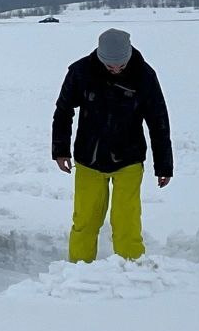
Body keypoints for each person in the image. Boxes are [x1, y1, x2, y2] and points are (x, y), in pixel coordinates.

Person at [52, 28, 173, 263]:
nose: (116, 69)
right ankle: (79, 272)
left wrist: (164, 166)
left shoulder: (144, 76)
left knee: (126, 221)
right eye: (110, 66)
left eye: (121, 65)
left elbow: (159, 122)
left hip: (129, 159)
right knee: (85, 221)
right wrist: (60, 150)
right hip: (89, 159)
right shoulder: (80, 72)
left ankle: (132, 272)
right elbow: (63, 111)